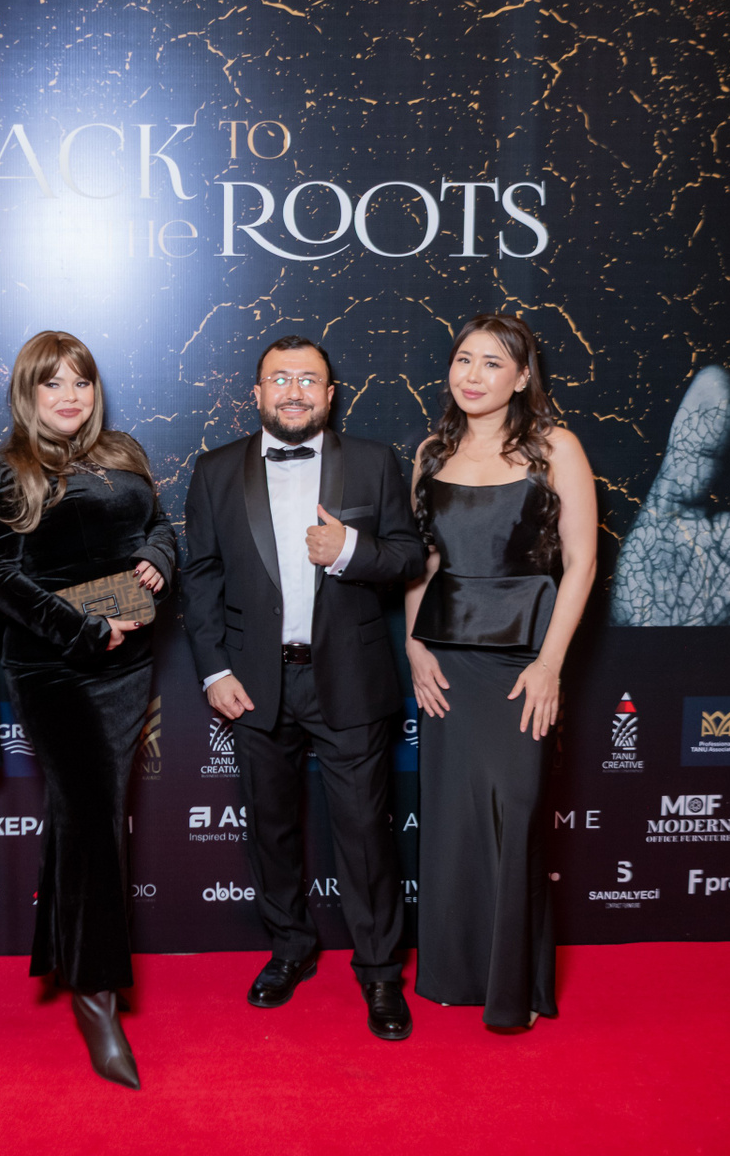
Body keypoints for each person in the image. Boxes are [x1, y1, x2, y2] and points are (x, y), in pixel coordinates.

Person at [179, 336, 426, 1041]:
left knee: (366, 835)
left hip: (349, 677)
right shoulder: (215, 470)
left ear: (330, 394)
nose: (294, 391)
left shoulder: (374, 462)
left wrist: (350, 550)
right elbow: (201, 578)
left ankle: (380, 972)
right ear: (256, 393)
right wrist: (215, 670)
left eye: (309, 379)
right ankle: (290, 947)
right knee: (271, 830)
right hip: (254, 682)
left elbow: (408, 555)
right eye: (280, 379)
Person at [0, 331, 176, 1089]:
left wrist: (160, 557)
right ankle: (96, 996)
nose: (69, 396)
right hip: (54, 670)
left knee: (83, 816)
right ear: (28, 393)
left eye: (80, 382)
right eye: (52, 383)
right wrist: (81, 630)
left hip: (127, 667)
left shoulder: (123, 453)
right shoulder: (3, 471)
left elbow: (155, 526)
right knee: (91, 820)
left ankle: (64, 953)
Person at [402, 312, 596, 1031]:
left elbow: (582, 562)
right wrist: (415, 647)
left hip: (522, 660)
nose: (473, 375)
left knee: (515, 813)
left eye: (492, 363)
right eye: (463, 359)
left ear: (521, 378)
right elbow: (422, 562)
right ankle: (455, 974)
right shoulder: (431, 452)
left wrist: (550, 663)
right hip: (447, 658)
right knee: (453, 820)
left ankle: (512, 984)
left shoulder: (555, 447)